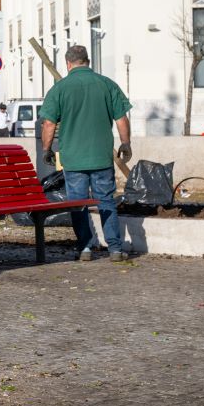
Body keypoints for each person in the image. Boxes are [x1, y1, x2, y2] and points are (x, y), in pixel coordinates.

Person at [38, 45, 132, 262]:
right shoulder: (107, 84)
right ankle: (115, 249)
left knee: (77, 203)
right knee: (106, 200)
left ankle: (85, 248)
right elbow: (121, 118)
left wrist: (46, 149)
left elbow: (49, 124)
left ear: (68, 64)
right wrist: (125, 143)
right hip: (101, 157)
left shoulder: (60, 88)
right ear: (87, 61)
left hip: (73, 158)